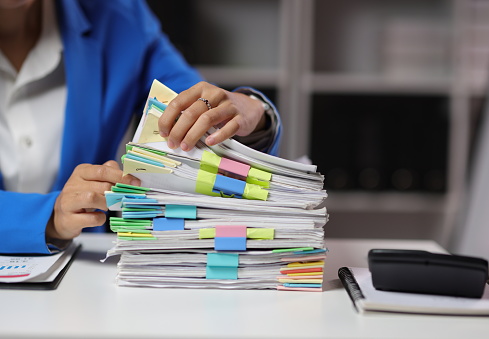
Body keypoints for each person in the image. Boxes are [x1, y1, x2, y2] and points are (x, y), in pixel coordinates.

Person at [0, 0, 281, 254]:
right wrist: (47, 217)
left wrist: (254, 112)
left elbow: (198, 114)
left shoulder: (118, 16)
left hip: (81, 276)